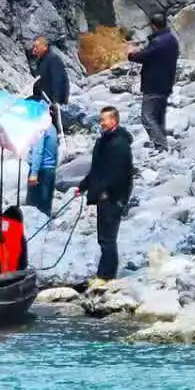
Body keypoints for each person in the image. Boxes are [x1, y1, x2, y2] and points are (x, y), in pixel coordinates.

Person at [83, 105, 134, 282]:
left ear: (114, 120)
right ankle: (102, 273)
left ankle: (107, 276)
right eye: (101, 120)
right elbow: (97, 170)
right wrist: (83, 186)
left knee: (108, 237)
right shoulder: (104, 141)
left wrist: (106, 192)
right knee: (103, 237)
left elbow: (119, 174)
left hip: (114, 198)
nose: (101, 123)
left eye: (104, 119)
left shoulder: (120, 144)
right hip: (103, 196)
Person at [127, 15, 179, 150]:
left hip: (154, 84)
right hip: (166, 83)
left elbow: (143, 57)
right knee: (159, 116)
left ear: (153, 26)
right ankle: (162, 144)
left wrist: (131, 53)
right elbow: (154, 56)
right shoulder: (172, 40)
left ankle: (161, 145)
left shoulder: (157, 42)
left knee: (147, 117)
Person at [28, 36, 72, 131]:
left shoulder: (53, 59)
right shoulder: (41, 60)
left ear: (45, 47)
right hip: (43, 96)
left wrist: (56, 101)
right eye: (34, 47)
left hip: (53, 99)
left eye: (36, 47)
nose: (34, 50)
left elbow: (58, 80)